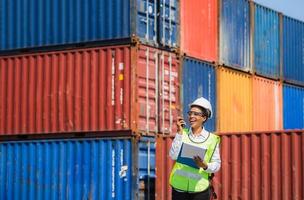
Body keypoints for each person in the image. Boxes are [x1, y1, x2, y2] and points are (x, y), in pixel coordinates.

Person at [169, 97, 221, 200]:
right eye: (190, 113)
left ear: (204, 118)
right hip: (179, 188)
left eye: (196, 114)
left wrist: (205, 166)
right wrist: (179, 133)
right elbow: (173, 155)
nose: (191, 116)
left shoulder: (212, 139)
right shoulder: (182, 134)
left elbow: (217, 164)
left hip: (200, 190)